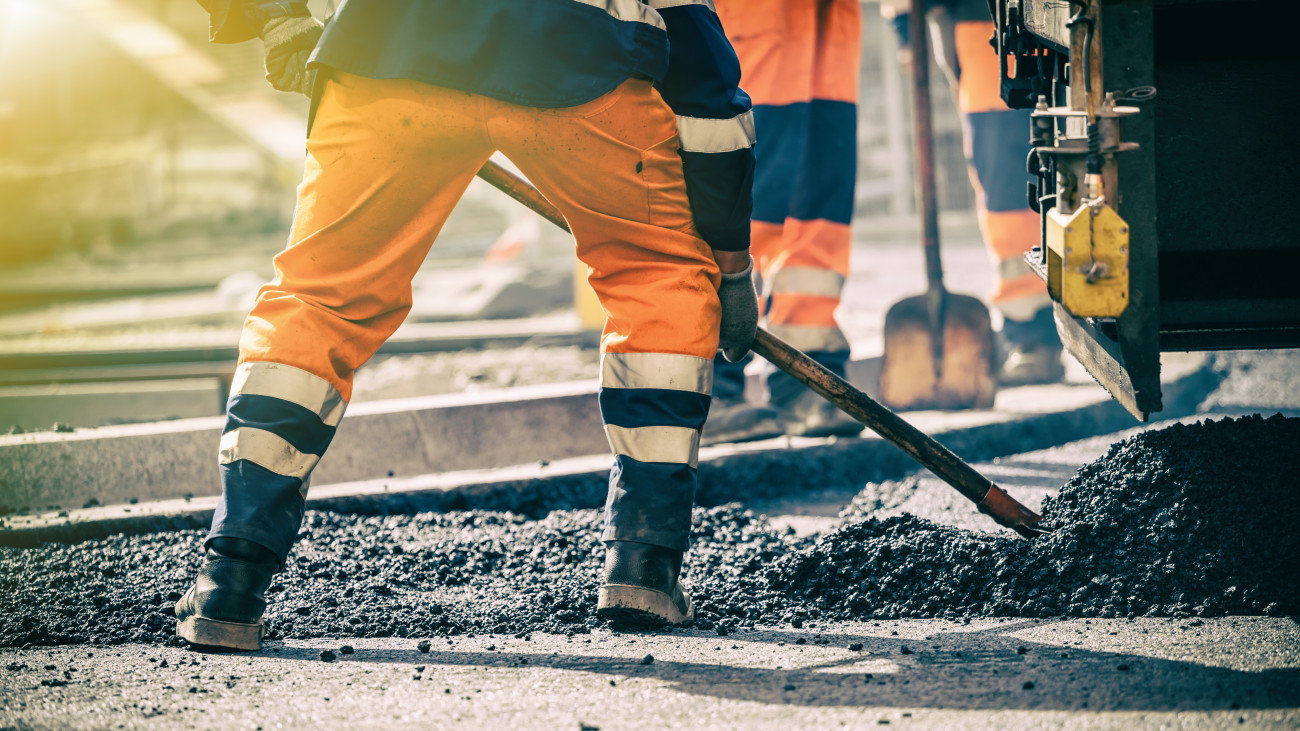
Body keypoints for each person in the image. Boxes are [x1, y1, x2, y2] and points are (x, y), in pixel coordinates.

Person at [175, 0, 759, 649]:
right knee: (656, 275)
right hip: (576, 53)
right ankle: (645, 563)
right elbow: (706, 85)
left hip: (391, 44)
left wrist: (277, 17)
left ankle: (230, 576)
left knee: (320, 299)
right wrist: (728, 264)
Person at [699, 0, 867, 446]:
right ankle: (706, 389)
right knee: (741, 177)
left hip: (825, 15)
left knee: (819, 196)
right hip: (749, 14)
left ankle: (807, 376)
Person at [884, 0, 1065, 384]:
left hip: (1079, 21)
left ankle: (1094, 321)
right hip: (985, 25)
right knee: (1008, 188)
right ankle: (1031, 333)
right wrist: (906, 26)